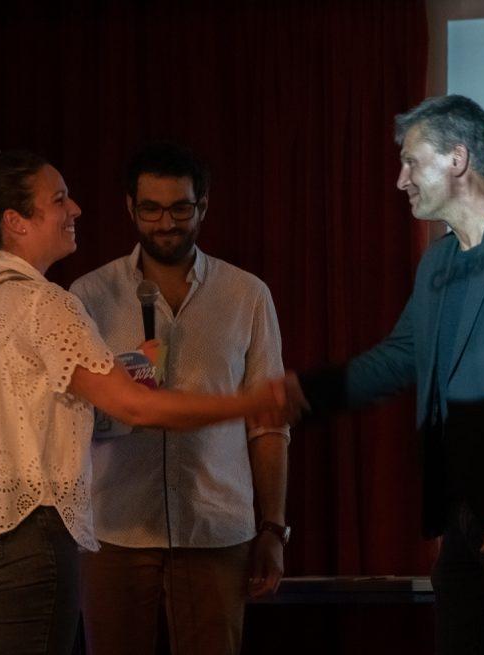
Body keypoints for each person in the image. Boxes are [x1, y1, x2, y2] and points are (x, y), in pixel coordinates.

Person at [0, 150, 284, 655]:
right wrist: (242, 403)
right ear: (15, 221)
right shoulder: (58, 299)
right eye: (60, 199)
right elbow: (134, 408)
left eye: (180, 208)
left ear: (203, 206)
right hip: (50, 535)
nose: (76, 210)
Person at [287, 95, 484, 654]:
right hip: (462, 514)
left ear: (458, 159)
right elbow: (400, 356)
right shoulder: (438, 261)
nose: (399, 180)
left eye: (412, 162)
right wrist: (302, 392)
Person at [69, 142, 290, 655]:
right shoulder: (89, 295)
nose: (165, 223)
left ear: (204, 205)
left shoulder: (246, 295)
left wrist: (273, 528)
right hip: (116, 525)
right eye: (151, 208)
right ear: (130, 207)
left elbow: (268, 423)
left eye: (180, 208)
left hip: (215, 527)